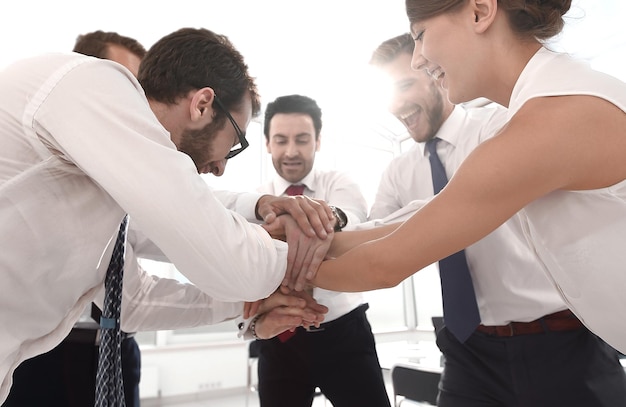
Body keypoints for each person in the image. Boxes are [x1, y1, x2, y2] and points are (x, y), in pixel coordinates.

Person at [311, 2, 626, 406]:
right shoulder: (551, 104)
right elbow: (410, 226)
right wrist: (302, 243)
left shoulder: (551, 119)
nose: (419, 56)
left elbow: (385, 262)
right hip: (472, 350)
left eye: (420, 33)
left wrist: (267, 270)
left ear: (480, 11)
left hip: (565, 345)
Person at [0, 27, 331, 404]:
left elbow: (133, 303)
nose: (222, 166)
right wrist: (305, 252)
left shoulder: (109, 182)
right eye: (236, 142)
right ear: (203, 104)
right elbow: (230, 260)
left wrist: (249, 298)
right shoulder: (88, 82)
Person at [2, 30, 148, 407]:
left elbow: (166, 233)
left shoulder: (133, 179)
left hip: (117, 350)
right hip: (42, 355)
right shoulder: (41, 171)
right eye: (118, 84)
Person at [248, 94, 390, 407]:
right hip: (279, 334)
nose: (291, 151)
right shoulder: (256, 200)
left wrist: (327, 218)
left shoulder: (339, 183)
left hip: (343, 333)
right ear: (268, 143)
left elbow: (353, 220)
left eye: (302, 139)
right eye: (281, 140)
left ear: (318, 141)